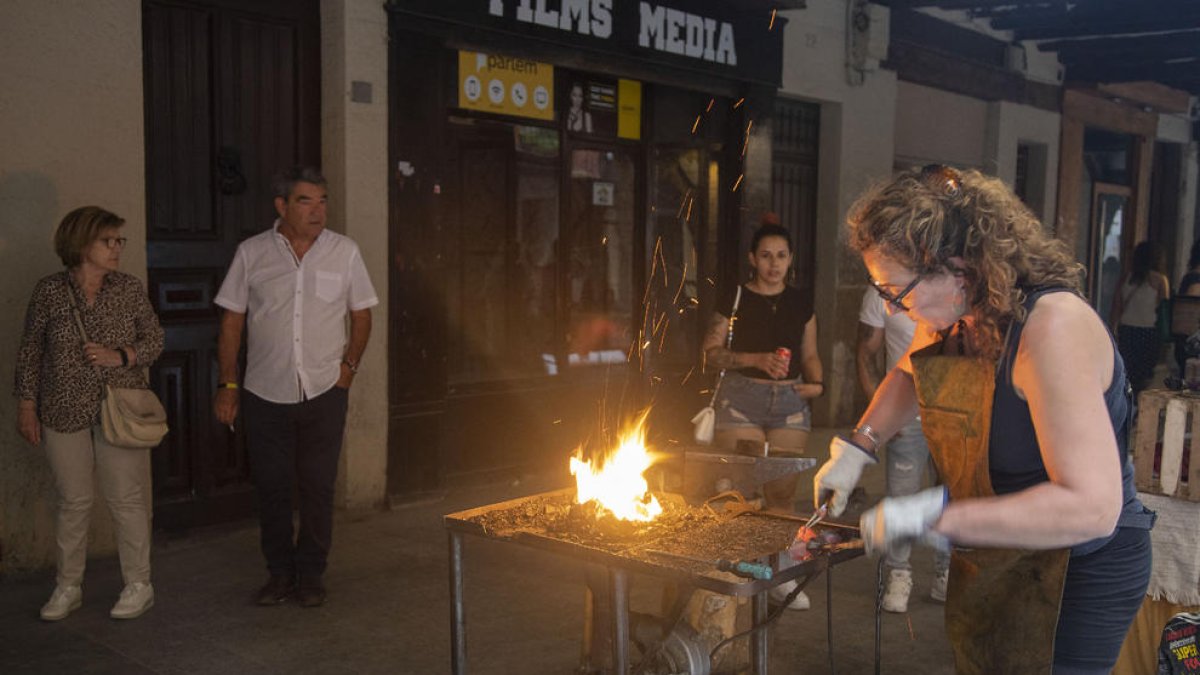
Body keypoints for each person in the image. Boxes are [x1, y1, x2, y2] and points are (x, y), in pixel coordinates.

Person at [815, 165, 1154, 674]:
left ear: (958, 269)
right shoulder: (960, 316)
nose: (890, 312)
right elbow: (911, 376)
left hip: (1081, 567)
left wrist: (932, 516)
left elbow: (1092, 506)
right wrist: (858, 448)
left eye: (895, 294)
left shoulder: (1051, 330)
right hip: (1005, 554)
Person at [214, 166, 377, 608]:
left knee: (319, 487)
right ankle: (279, 574)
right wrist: (227, 384)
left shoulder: (344, 252)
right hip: (265, 391)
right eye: (306, 201)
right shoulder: (252, 253)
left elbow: (361, 315)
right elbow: (232, 320)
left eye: (322, 200)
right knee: (272, 488)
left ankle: (311, 575)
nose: (318, 210)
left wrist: (348, 370)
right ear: (282, 207)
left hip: (325, 389)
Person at [14, 206, 164, 621]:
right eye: (108, 241)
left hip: (120, 407)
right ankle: (68, 586)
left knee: (126, 498)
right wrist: (27, 404)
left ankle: (139, 584)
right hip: (61, 407)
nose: (117, 248)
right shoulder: (49, 292)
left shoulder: (129, 289)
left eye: (120, 241)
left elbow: (154, 338)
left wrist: (122, 355)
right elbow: (31, 351)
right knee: (73, 500)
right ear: (81, 243)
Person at [702, 216, 824, 610]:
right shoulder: (734, 298)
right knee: (745, 489)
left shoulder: (800, 302)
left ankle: (779, 573)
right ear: (753, 259)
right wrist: (756, 359)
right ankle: (739, 570)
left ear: (791, 261)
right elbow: (710, 353)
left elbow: (809, 354)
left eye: (782, 256)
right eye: (766, 255)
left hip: (788, 402)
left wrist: (818, 385)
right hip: (741, 398)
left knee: (783, 491)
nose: (774, 263)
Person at [856, 287, 950, 613]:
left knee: (956, 491)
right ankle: (898, 572)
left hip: (956, 413)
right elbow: (884, 363)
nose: (894, 308)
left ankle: (947, 572)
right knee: (901, 495)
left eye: (898, 296)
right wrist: (869, 432)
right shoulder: (885, 290)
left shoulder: (958, 299)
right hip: (909, 414)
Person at [1109, 240, 1169, 393]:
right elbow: (1164, 311)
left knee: (1128, 374)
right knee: (1145, 377)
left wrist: (1112, 331)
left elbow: (1116, 307)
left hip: (1127, 330)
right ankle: (1137, 408)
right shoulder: (1160, 281)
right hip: (1148, 332)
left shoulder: (1126, 279)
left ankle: (1128, 407)